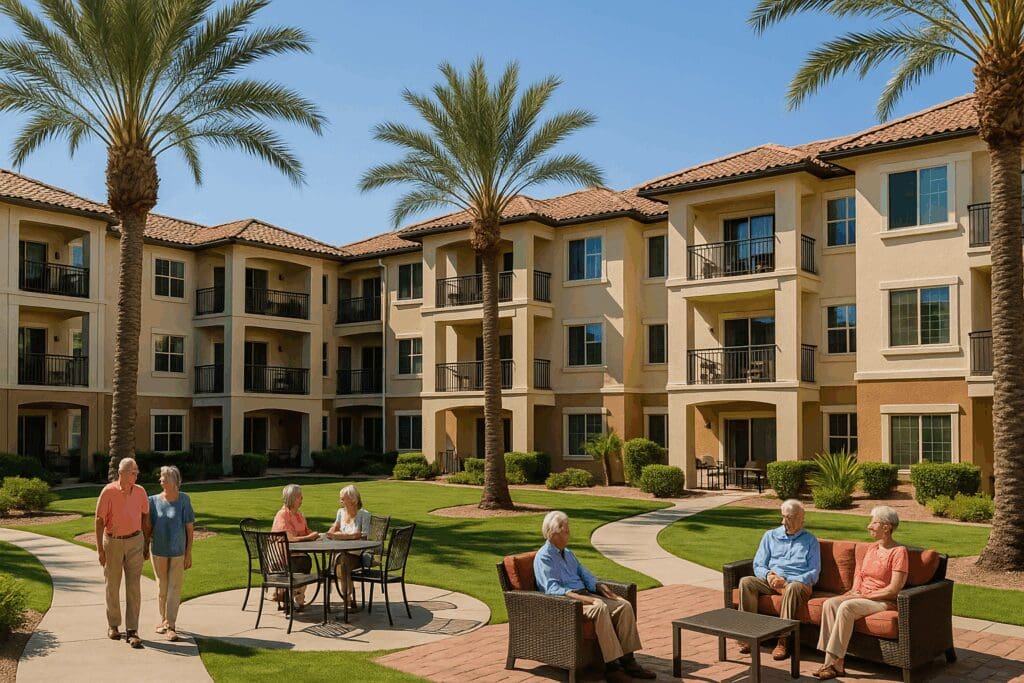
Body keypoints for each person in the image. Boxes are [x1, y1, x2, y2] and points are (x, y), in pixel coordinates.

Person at [534, 511, 656, 683]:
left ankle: (629, 662)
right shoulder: (544, 557)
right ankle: (612, 669)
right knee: (600, 607)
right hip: (569, 603)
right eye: (565, 529)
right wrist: (587, 599)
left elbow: (584, 574)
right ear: (552, 533)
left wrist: (599, 585)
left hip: (585, 595)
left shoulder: (568, 553)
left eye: (568, 528)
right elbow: (552, 588)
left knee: (624, 605)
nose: (568, 532)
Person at [813, 506, 909, 680]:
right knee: (829, 603)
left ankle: (830, 664)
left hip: (883, 600)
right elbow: (860, 573)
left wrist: (865, 596)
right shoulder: (872, 548)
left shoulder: (898, 552)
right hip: (862, 596)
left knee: (846, 607)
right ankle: (835, 663)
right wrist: (854, 591)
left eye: (873, 522)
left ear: (886, 527)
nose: (869, 526)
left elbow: (893, 589)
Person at [738, 498, 821, 661]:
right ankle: (748, 634)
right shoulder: (770, 536)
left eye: (788, 518)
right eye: (783, 516)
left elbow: (813, 572)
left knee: (792, 587)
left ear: (800, 518)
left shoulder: (810, 541)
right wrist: (769, 575)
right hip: (773, 580)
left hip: (797, 584)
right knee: (746, 582)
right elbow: (758, 564)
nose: (784, 521)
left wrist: (787, 580)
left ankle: (783, 640)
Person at [94, 457, 149, 649]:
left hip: (135, 541)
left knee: (134, 587)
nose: (136, 474)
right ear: (122, 473)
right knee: (113, 585)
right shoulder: (108, 492)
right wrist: (100, 550)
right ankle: (114, 625)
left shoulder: (141, 491)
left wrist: (146, 545)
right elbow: (99, 521)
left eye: (136, 472)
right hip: (113, 543)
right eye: (133, 472)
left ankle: (133, 630)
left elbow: (145, 518)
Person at [145, 465, 195, 642]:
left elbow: (189, 528)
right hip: (158, 550)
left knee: (175, 587)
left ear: (173, 481)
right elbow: (148, 527)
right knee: (162, 587)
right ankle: (163, 620)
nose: (160, 480)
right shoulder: (153, 501)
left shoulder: (184, 500)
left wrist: (188, 552)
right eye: (160, 478)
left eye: (164, 478)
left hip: (178, 552)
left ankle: (171, 625)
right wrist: (144, 547)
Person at [271, 483, 319, 610]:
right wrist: (309, 537)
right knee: (304, 561)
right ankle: (294, 596)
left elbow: (306, 530)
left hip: (296, 554)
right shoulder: (282, 515)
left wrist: (313, 534)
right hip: (282, 558)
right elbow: (289, 539)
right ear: (291, 498)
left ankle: (290, 595)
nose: (302, 499)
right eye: (299, 497)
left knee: (305, 560)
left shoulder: (299, 515)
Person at [326, 484, 371, 610]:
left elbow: (363, 537)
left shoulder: (364, 515)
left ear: (352, 499)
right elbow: (334, 528)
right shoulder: (340, 512)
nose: (340, 501)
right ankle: (348, 598)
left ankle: (347, 598)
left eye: (343, 498)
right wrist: (332, 532)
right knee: (341, 562)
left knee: (342, 563)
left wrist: (342, 536)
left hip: (357, 555)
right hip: (340, 552)